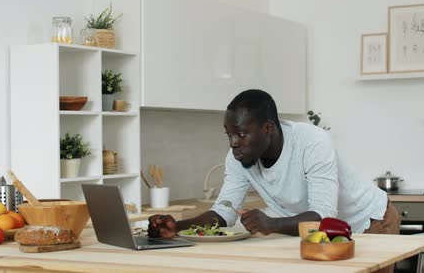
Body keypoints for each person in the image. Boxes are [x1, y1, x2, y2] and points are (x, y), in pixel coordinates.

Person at [148, 89, 400, 240]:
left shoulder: (311, 142)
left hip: (370, 221)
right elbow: (223, 212)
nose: (233, 143)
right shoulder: (238, 156)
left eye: (241, 134)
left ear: (267, 129)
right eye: (229, 135)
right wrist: (177, 226)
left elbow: (323, 216)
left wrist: (272, 224)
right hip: (320, 233)